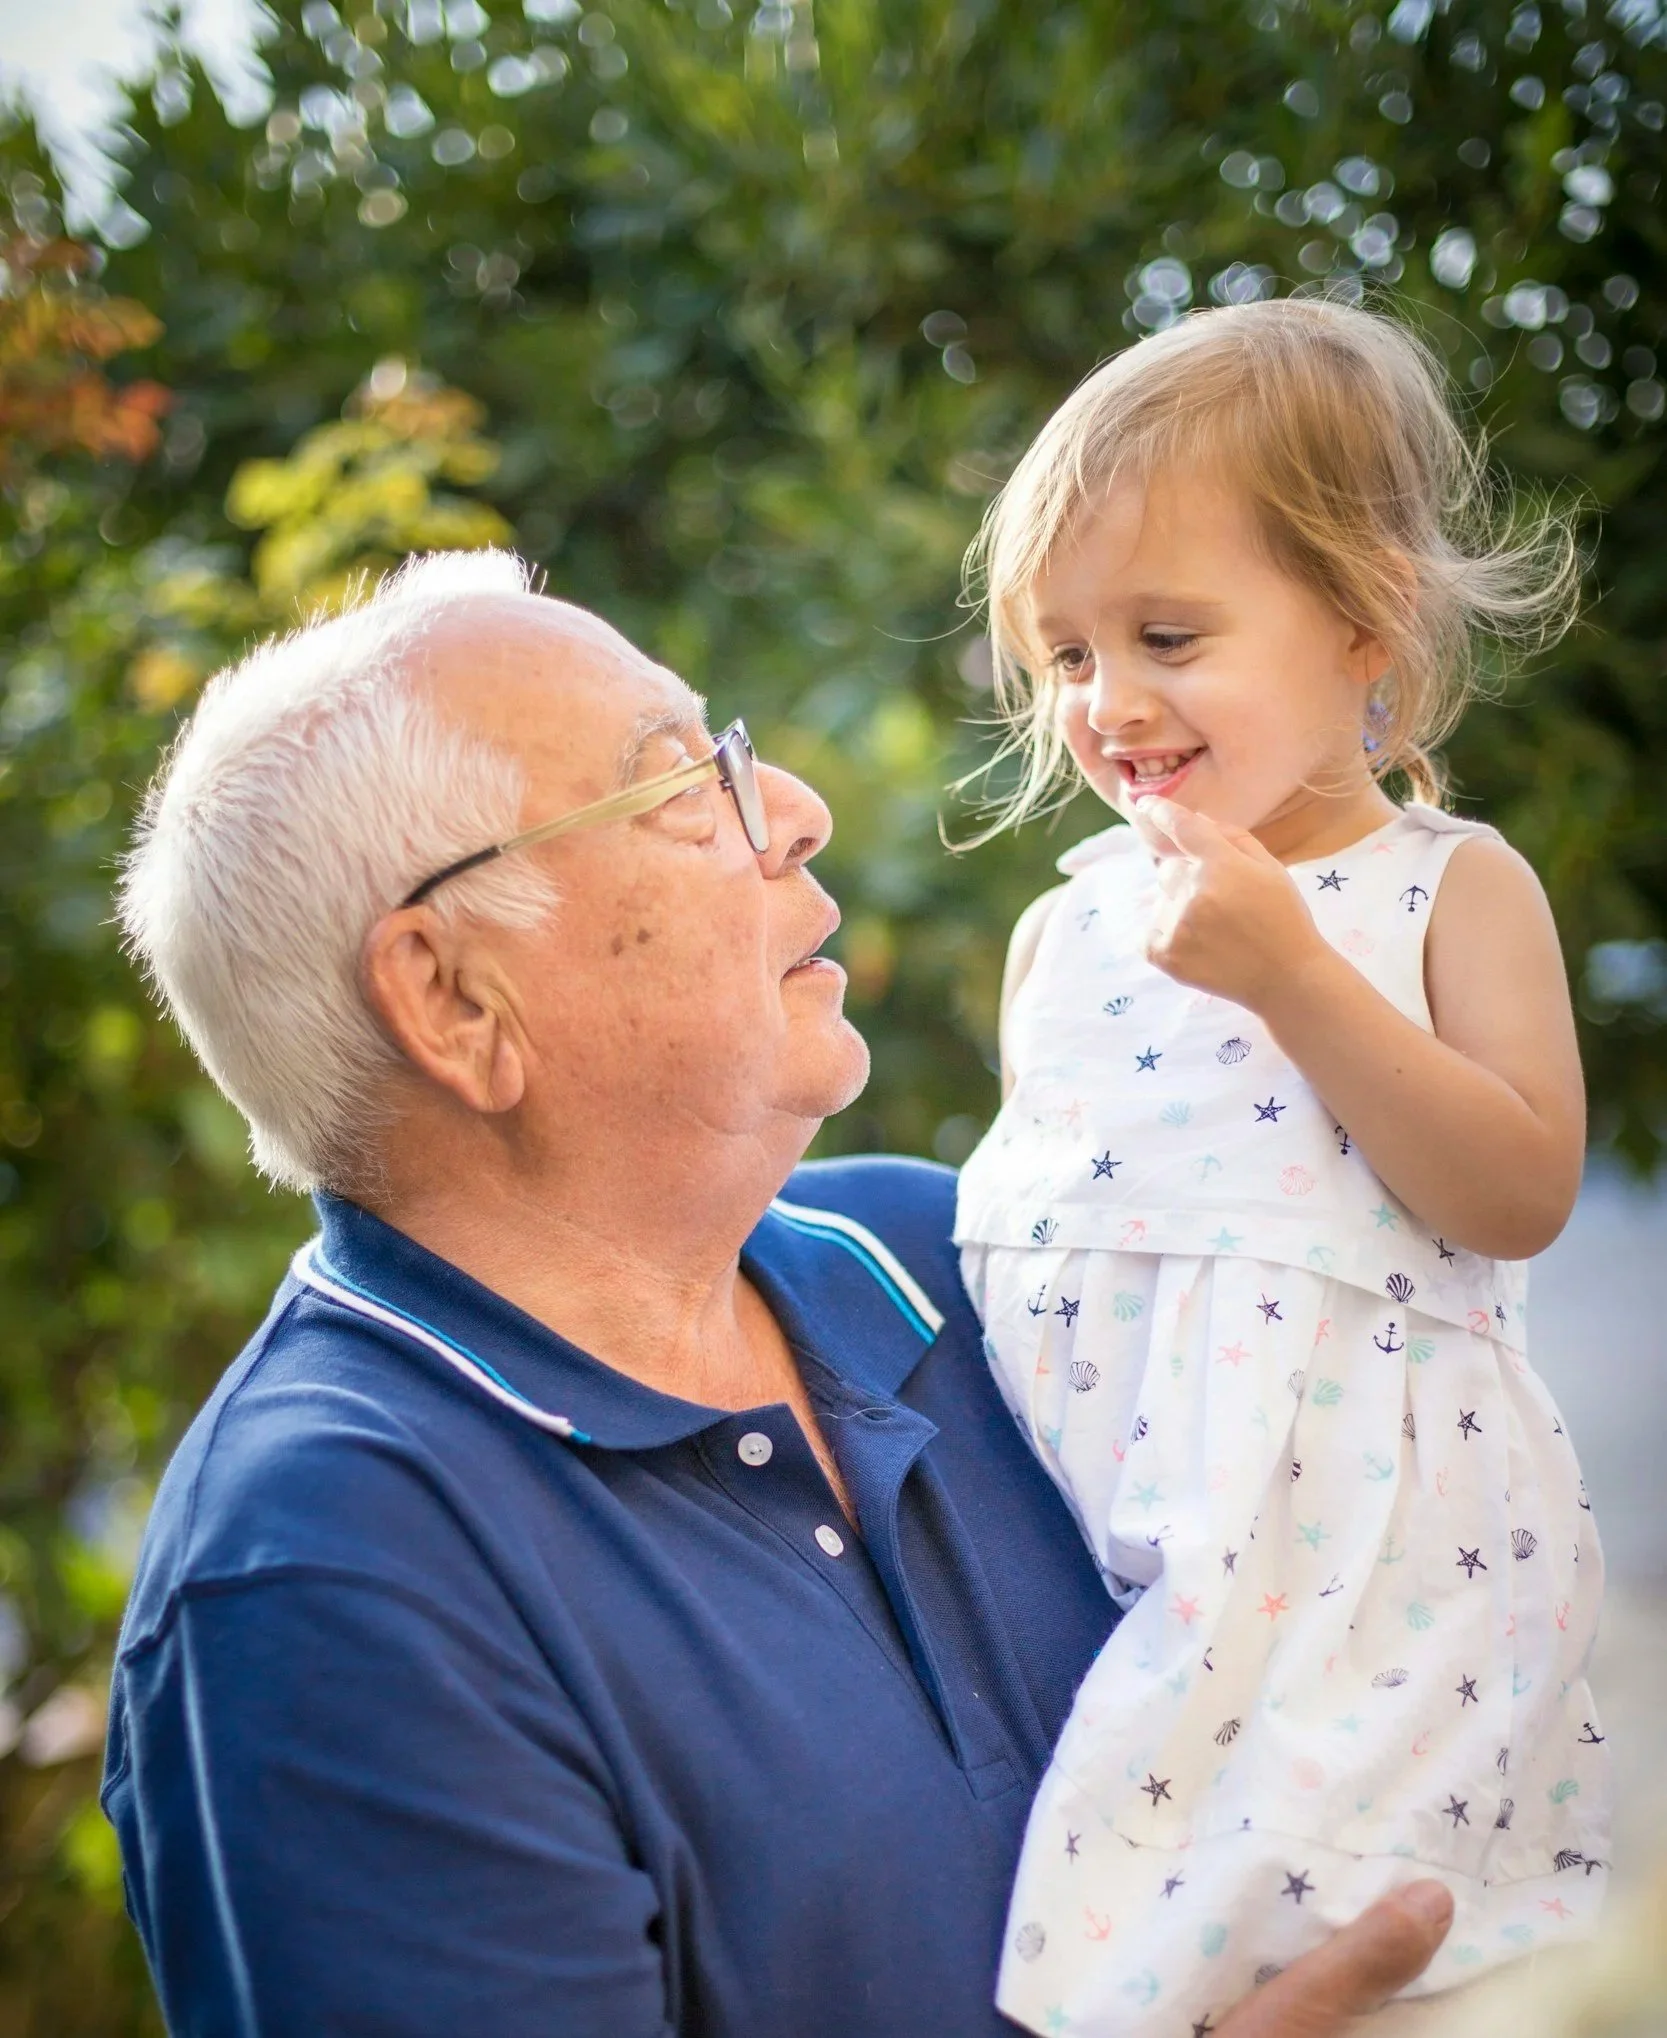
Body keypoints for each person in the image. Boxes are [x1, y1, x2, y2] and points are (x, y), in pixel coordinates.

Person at [105, 549, 1454, 2036]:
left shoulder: (960, 1259)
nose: (797, 809)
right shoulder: (326, 1578)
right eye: (681, 786)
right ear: (453, 998)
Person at [952, 297, 1609, 2038]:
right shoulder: (1062, 932)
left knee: (1361, 1958)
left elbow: (1516, 1185)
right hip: (1115, 1563)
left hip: (1360, 1578)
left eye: (1167, 632)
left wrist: (1295, 978)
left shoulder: (1444, 889)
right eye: (1065, 654)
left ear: (1359, 621)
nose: (1109, 702)